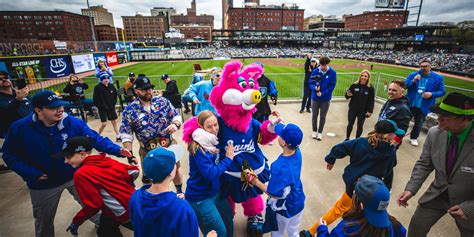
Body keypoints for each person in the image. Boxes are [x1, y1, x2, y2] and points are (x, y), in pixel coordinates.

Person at [2, 90, 134, 237]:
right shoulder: (19, 128)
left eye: (60, 106)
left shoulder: (73, 122)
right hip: (43, 184)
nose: (60, 110)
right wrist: (31, 173)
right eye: (53, 107)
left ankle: (103, 227)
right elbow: (9, 155)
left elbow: (95, 139)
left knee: (94, 206)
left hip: (75, 177)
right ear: (38, 110)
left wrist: (117, 150)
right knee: (43, 221)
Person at [301, 119, 400, 236]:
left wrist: (331, 158)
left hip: (353, 187)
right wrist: (386, 190)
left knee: (340, 209)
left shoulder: (362, 142)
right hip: (372, 194)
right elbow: (389, 172)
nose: (396, 135)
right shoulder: (389, 153)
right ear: (388, 135)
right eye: (395, 133)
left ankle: (311, 232)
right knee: (363, 217)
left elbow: (341, 147)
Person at [397, 93, 474, 237]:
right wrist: (411, 189)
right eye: (438, 114)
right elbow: (425, 164)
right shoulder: (434, 133)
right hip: (437, 195)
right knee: (416, 228)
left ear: (465, 119)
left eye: (445, 116)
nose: (438, 120)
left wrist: (470, 208)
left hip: (467, 201)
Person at [54, 136, 137, 237]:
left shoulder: (81, 174)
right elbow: (133, 171)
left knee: (143, 230)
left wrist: (76, 221)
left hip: (121, 211)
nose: (65, 161)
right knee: (105, 230)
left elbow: (93, 205)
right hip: (134, 201)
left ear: (82, 154)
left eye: (68, 156)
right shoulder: (106, 160)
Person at [119, 76, 183, 187]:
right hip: (147, 150)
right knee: (149, 178)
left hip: (168, 145)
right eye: (144, 90)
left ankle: (179, 192)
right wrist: (130, 155)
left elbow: (176, 115)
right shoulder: (129, 110)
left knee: (175, 170)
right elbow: (126, 134)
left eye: (149, 89)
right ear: (136, 91)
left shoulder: (163, 101)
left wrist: (175, 124)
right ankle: (153, 200)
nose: (148, 92)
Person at [244, 123, 305, 237]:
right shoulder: (297, 152)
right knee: (294, 231)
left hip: (284, 208)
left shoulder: (279, 167)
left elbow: (274, 194)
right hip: (298, 201)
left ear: (283, 143)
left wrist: (254, 180)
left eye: (280, 135)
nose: (278, 136)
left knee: (278, 233)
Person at [129, 147, 199, 237]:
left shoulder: (135, 197)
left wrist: (174, 201)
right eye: (174, 163)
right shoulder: (183, 209)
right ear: (171, 173)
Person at [186, 110, 235, 237]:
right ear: (201, 127)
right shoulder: (199, 147)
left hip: (214, 193)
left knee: (228, 219)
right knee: (219, 233)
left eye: (215, 124)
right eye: (209, 126)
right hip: (201, 198)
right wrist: (228, 159)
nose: (214, 129)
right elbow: (210, 173)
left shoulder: (212, 141)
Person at [316, 175, 407, 237]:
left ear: (361, 205)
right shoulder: (397, 227)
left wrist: (322, 230)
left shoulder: (347, 230)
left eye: (355, 194)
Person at [405, 59, 445, 146]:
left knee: (419, 123)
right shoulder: (413, 75)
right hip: (411, 103)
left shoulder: (438, 78)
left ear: (430, 67)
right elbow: (406, 85)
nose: (423, 68)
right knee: (404, 120)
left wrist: (432, 94)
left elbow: (442, 92)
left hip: (424, 105)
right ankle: (399, 134)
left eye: (425, 66)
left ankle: (414, 137)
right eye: (421, 66)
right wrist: (413, 81)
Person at [0, 70, 32, 172]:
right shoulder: (14, 97)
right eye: (0, 79)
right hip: (18, 136)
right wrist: (18, 99)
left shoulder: (19, 93)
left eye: (5, 76)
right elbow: (7, 112)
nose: (4, 79)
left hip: (35, 130)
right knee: (29, 161)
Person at [309, 56, 337, 141]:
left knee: (322, 116)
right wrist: (314, 88)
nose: (323, 67)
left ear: (327, 64)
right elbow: (310, 82)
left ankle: (320, 132)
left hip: (326, 99)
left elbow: (332, 86)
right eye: (321, 65)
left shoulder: (332, 72)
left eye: (324, 65)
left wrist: (323, 93)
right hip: (315, 98)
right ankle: (314, 131)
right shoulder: (315, 71)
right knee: (314, 115)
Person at [345, 70, 375, 140]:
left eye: (365, 76)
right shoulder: (354, 85)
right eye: (362, 75)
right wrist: (347, 94)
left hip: (363, 110)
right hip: (353, 108)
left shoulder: (370, 88)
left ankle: (356, 140)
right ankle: (347, 138)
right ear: (360, 76)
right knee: (350, 124)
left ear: (368, 78)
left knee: (360, 125)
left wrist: (370, 111)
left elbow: (371, 100)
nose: (363, 77)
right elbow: (347, 96)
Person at [93, 72, 120, 140]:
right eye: (104, 79)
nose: (106, 80)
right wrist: (99, 106)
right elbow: (95, 99)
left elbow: (115, 96)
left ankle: (118, 135)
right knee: (104, 124)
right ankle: (97, 136)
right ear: (101, 80)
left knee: (114, 122)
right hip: (102, 108)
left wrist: (113, 103)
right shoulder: (97, 87)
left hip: (111, 107)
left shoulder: (111, 86)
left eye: (107, 78)